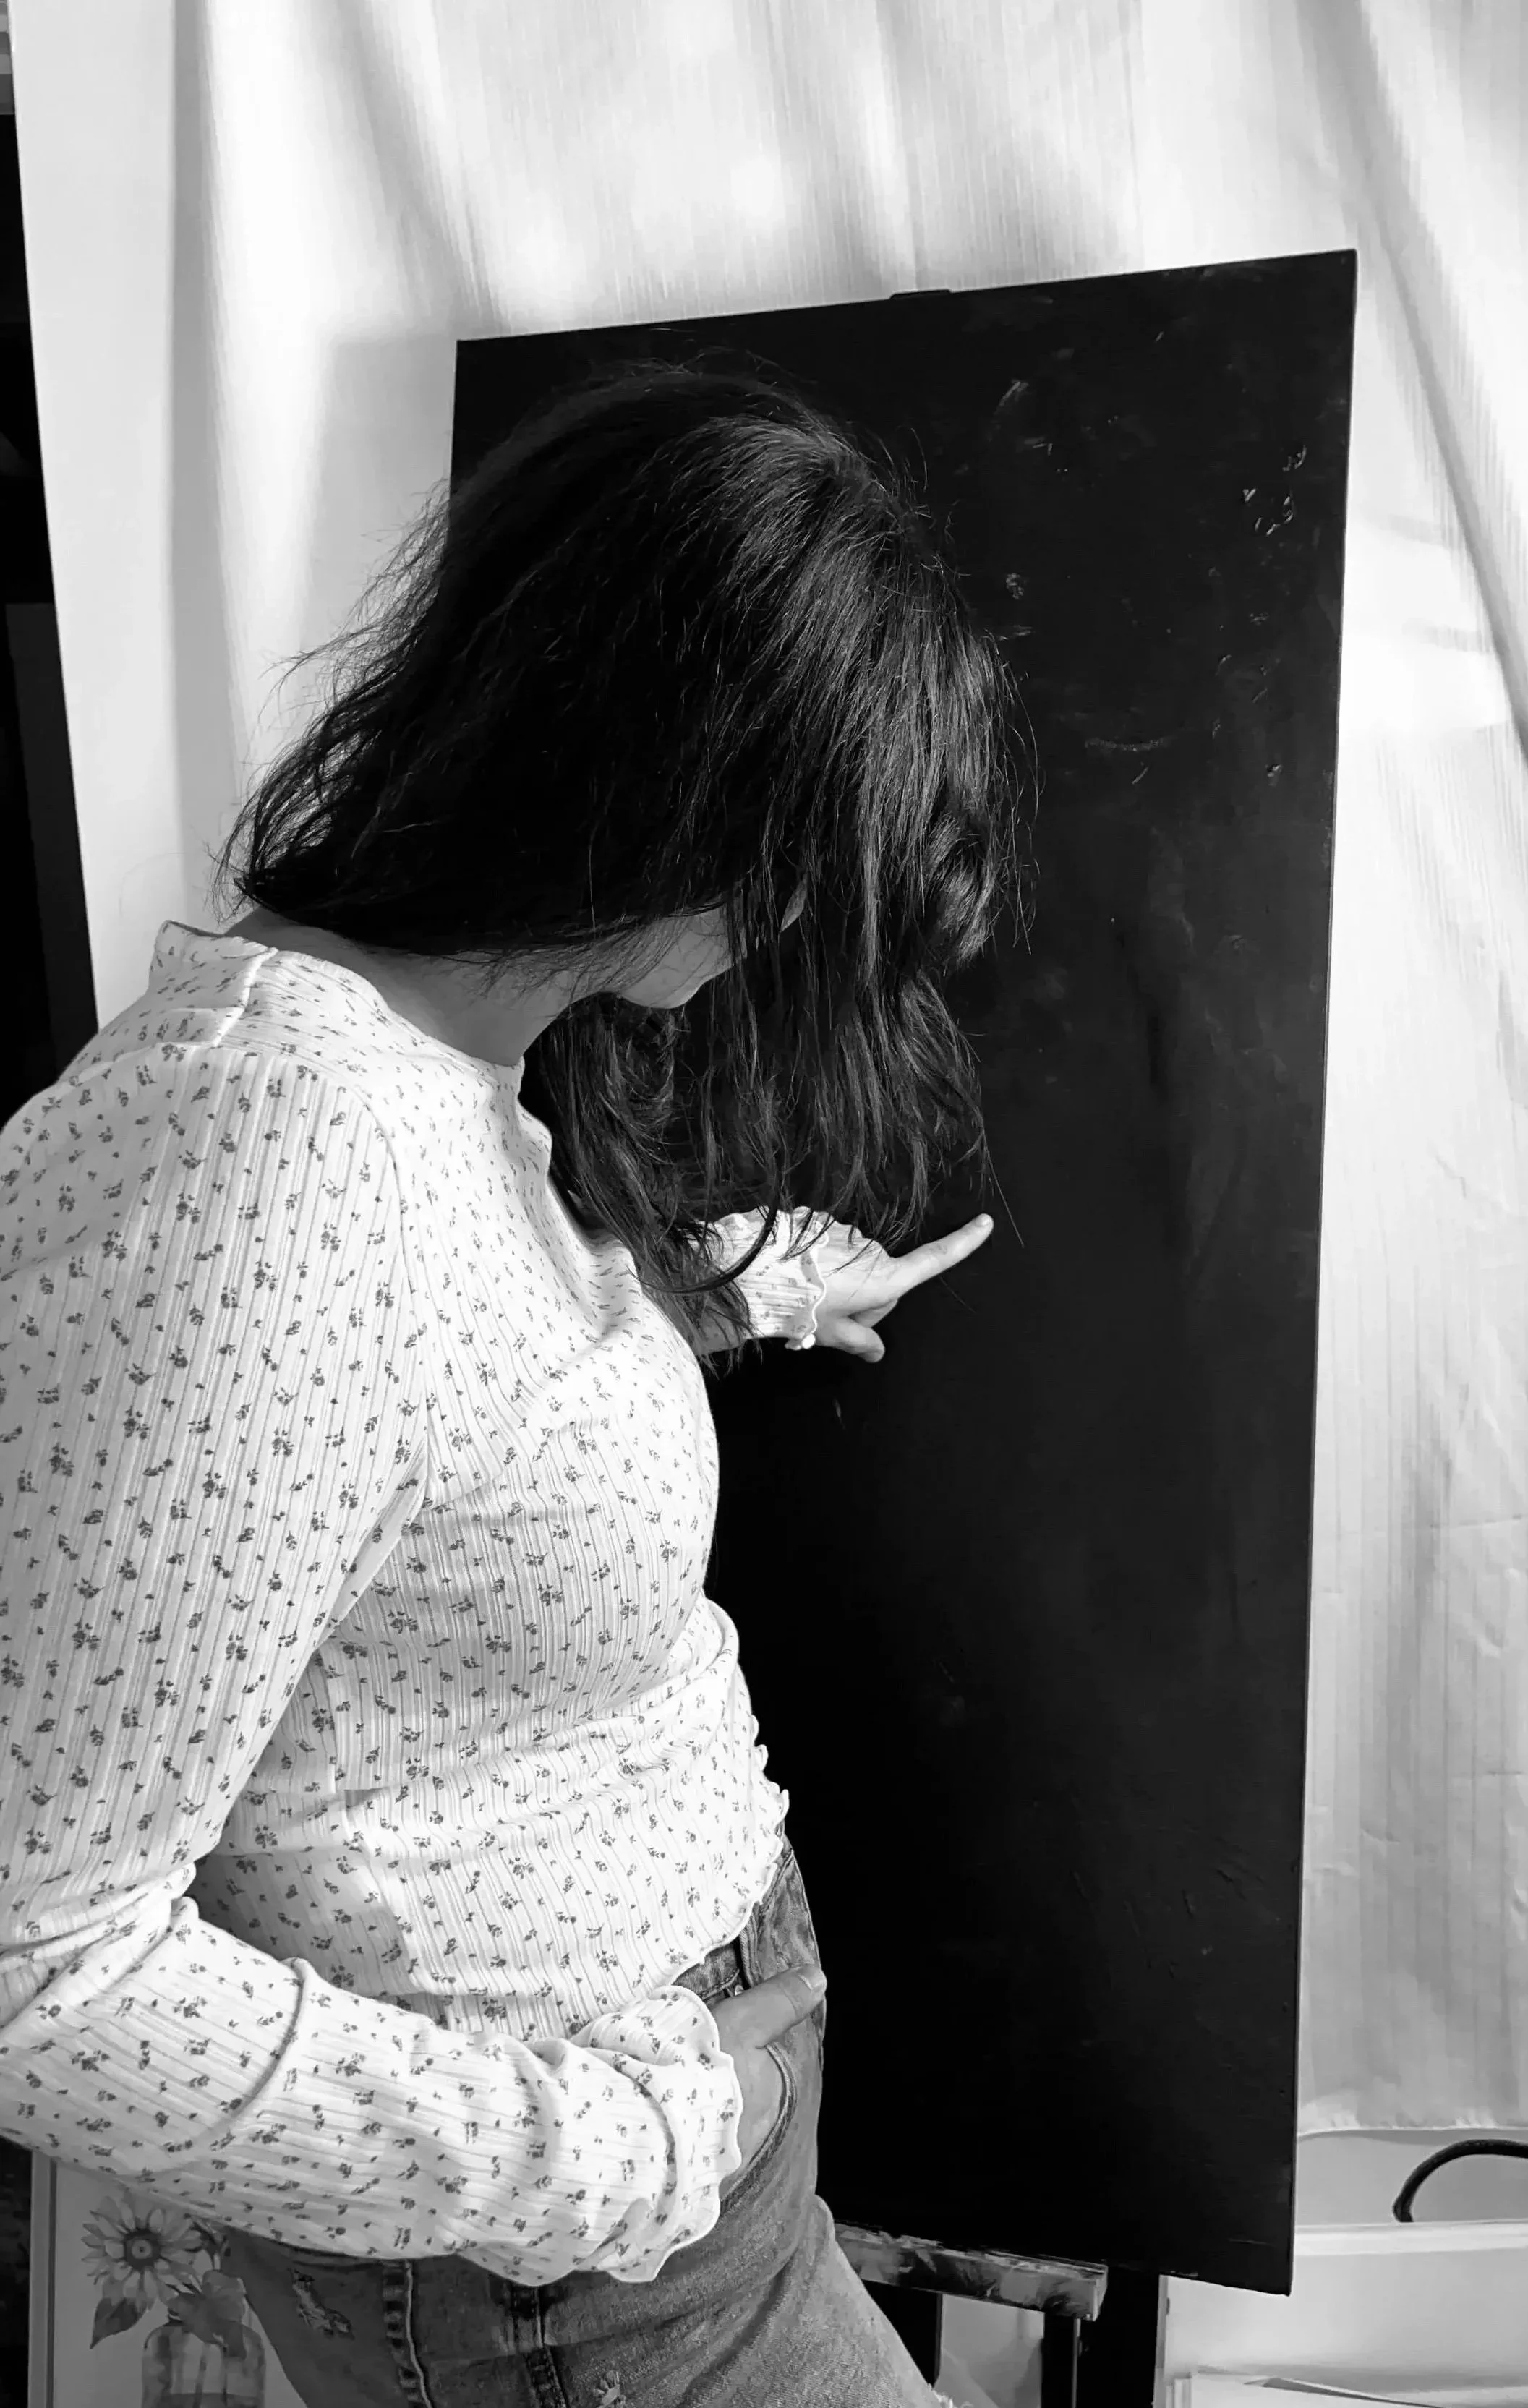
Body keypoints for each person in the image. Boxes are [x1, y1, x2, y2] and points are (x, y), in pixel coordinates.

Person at [0, 356, 1029, 2405]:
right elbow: (33, 1968)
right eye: (790, 864)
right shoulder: (255, 1179)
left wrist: (725, 1292)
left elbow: (417, 1417)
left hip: (671, 2177)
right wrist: (611, 2156)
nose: (791, 924)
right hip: (577, 2276)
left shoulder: (434, 1073)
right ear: (651, 788)